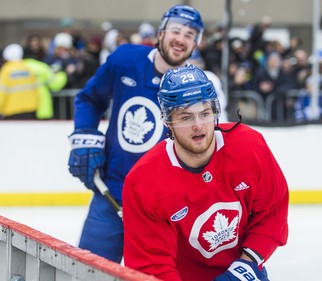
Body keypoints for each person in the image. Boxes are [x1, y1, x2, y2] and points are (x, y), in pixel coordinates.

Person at [122, 64, 289, 281]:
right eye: (185, 117)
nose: (198, 125)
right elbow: (151, 263)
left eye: (205, 113)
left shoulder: (249, 146)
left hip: (243, 270)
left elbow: (272, 211)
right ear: (167, 121)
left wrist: (245, 266)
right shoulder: (143, 181)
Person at [67, 5, 205, 263]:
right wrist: (84, 138)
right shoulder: (125, 60)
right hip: (111, 192)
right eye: (176, 30)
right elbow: (89, 99)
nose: (181, 39)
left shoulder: (197, 85)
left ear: (195, 44)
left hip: (162, 207)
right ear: (161, 33)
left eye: (190, 35)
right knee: (88, 270)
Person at [0, 43, 39, 120]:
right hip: (30, 109)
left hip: (12, 110)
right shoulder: (27, 68)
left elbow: (2, 92)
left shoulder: (6, 70)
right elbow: (36, 89)